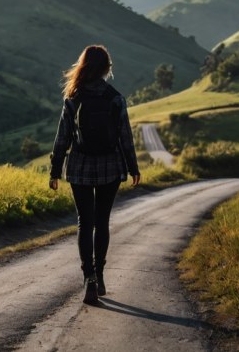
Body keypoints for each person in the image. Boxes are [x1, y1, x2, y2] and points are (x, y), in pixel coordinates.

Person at [48, 45, 140, 305]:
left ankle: (87, 277)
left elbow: (62, 138)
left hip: (79, 167)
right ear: (106, 68)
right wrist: (133, 167)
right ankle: (99, 276)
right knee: (102, 222)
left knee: (84, 223)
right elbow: (125, 138)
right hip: (110, 167)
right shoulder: (115, 97)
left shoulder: (73, 97)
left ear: (84, 65)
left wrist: (55, 170)